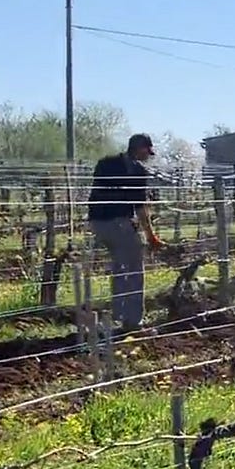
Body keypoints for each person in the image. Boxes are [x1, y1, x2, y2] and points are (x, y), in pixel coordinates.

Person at [87, 132, 168, 332]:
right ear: (139, 148)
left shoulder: (105, 163)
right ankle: (133, 320)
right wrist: (151, 236)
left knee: (119, 266)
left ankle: (119, 314)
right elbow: (140, 207)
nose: (148, 155)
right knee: (134, 268)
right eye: (147, 151)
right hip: (118, 222)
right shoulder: (138, 172)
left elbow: (99, 191)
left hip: (97, 221)